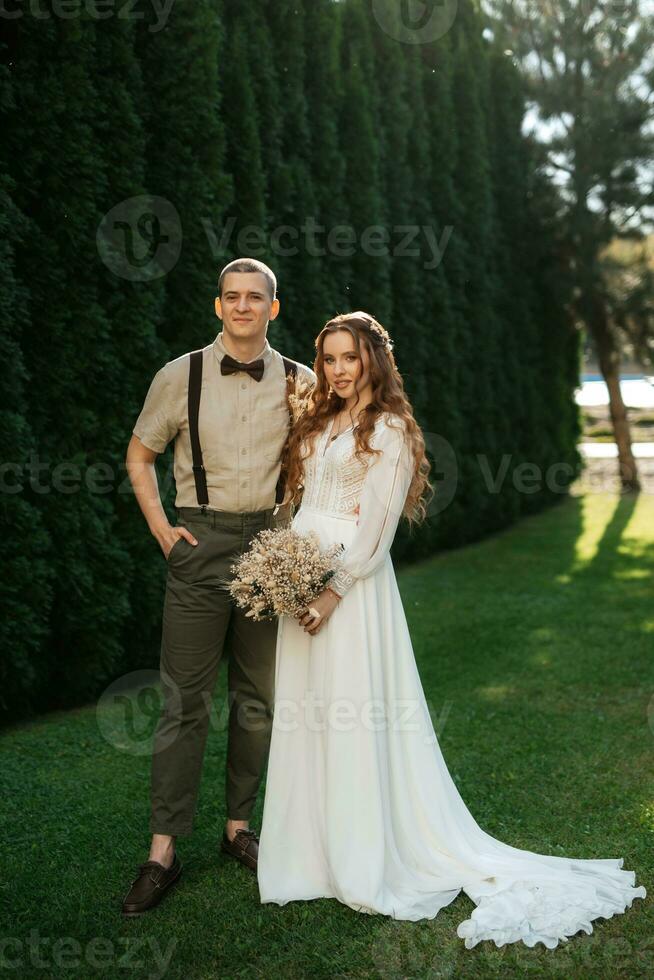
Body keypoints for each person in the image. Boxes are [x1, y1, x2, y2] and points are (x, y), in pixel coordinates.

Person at [256, 311, 646, 948]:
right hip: (302, 585)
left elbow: (377, 533)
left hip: (350, 593)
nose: (337, 370)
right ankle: (308, 858)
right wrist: (283, 570)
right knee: (309, 714)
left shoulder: (390, 431)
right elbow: (303, 506)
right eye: (328, 359)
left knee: (353, 713)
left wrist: (330, 592)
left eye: (349, 357)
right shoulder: (320, 422)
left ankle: (364, 860)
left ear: (373, 361)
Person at [121, 258, 316, 916]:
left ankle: (239, 828)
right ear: (217, 306)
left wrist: (303, 541)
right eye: (231, 297)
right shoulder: (179, 376)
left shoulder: (302, 382)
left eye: (253, 297)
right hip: (198, 547)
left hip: (270, 548)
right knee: (184, 703)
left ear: (273, 308)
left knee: (258, 696)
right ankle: (162, 852)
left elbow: (330, 463)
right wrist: (160, 528)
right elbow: (140, 454)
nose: (241, 306)